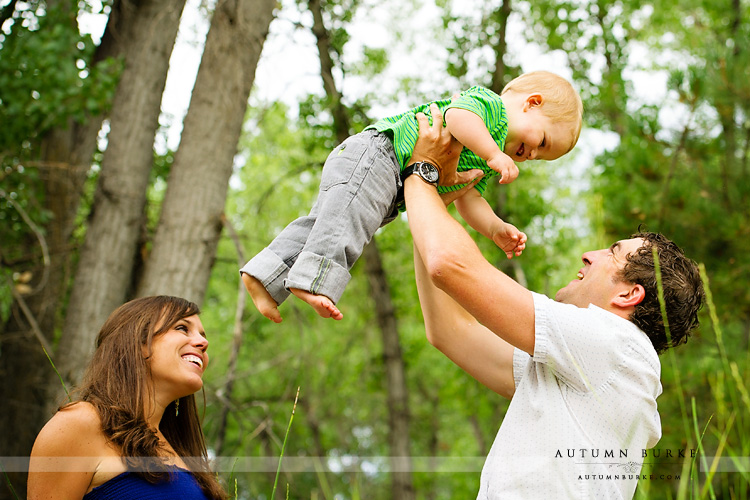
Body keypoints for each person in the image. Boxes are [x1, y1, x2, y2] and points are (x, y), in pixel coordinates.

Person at [403, 105, 704, 499]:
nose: (589, 255)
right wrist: (436, 203)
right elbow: (450, 331)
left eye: (612, 254)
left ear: (629, 294)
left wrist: (421, 172)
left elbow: (450, 265)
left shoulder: (617, 346)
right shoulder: (579, 368)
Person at [241, 71, 584, 323]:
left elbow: (468, 198)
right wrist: (494, 152)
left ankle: (264, 277)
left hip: (387, 182)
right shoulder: (490, 108)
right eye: (542, 142)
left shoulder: (487, 157)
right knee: (348, 223)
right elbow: (457, 117)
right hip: (379, 156)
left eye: (542, 156)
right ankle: (314, 281)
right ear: (531, 103)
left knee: (323, 224)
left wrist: (494, 228)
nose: (534, 155)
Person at [28, 296, 227, 500]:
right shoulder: (81, 423)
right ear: (137, 342)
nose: (204, 342)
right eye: (182, 328)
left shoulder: (182, 454)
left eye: (202, 335)